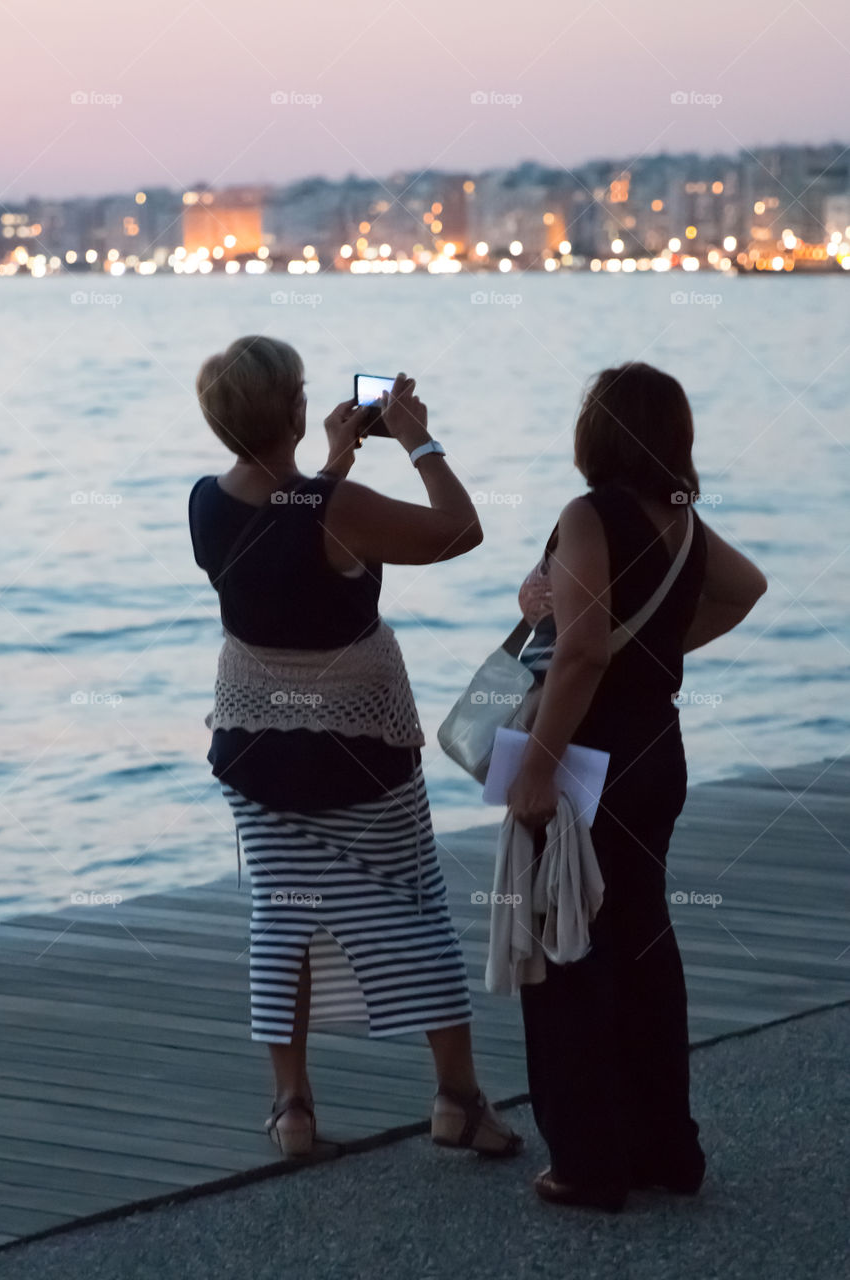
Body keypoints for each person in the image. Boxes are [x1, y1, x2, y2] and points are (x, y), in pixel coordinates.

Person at [188, 335, 521, 1159]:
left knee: (280, 918)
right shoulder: (337, 507)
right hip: (357, 750)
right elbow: (459, 531)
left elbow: (281, 534)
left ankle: (291, 1109)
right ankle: (456, 1101)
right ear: (296, 409)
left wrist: (332, 460)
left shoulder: (204, 500)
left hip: (253, 748)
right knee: (411, 911)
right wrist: (417, 438)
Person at [508, 362, 767, 1211]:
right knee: (646, 942)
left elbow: (577, 653)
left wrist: (537, 766)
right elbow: (745, 591)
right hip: (659, 751)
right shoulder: (680, 518)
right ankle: (666, 1150)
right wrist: (655, 649)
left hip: (589, 759)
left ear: (597, 433)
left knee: (569, 950)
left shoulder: (589, 514)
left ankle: (587, 1163)